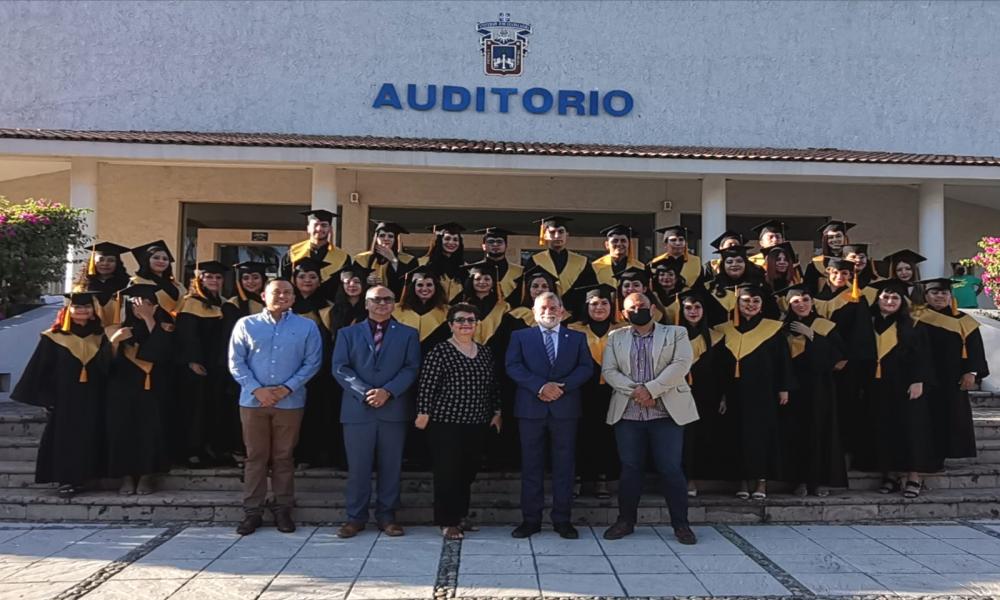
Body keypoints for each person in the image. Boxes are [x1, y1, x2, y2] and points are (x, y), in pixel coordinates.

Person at [600, 292, 697, 544]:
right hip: (629, 413)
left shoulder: (676, 333)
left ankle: (681, 525)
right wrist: (638, 393)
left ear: (653, 308)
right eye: (631, 308)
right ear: (624, 314)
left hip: (666, 412)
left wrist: (652, 390)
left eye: (642, 305)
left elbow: (681, 364)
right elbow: (609, 370)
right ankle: (625, 521)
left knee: (671, 469)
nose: (637, 310)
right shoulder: (616, 337)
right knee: (630, 469)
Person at [228, 279, 323, 535]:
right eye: (276, 292)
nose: (282, 296)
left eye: (287, 292)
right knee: (255, 456)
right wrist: (257, 389)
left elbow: (312, 362)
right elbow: (236, 362)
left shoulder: (307, 326)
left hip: (290, 401)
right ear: (263, 295)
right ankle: (252, 511)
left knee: (283, 457)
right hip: (253, 401)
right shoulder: (246, 324)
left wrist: (287, 388)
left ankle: (283, 508)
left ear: (294, 297)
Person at [333, 286, 421, 538]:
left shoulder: (408, 334)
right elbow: (340, 368)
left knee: (391, 466)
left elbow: (411, 367)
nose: (382, 303)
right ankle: (355, 518)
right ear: (366, 304)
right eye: (376, 299)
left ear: (394, 303)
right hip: (358, 409)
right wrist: (365, 392)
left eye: (387, 299)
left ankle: (387, 516)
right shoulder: (347, 333)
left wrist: (388, 391)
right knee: (358, 467)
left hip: (393, 408)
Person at [505, 292, 593, 539]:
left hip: (565, 409)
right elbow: (513, 366)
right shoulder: (520, 336)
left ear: (562, 311)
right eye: (543, 308)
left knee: (564, 466)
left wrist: (561, 387)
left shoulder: (576, 337)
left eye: (554, 307)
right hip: (531, 409)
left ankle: (562, 520)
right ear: (534, 312)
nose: (549, 312)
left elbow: (585, 367)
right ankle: (530, 520)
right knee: (531, 465)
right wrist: (541, 387)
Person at [415, 303, 503, 539]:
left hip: (477, 422)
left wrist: (497, 412)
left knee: (467, 472)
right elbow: (427, 385)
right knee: (447, 472)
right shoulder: (440, 351)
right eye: (460, 320)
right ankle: (447, 521)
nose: (466, 324)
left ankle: (461, 515)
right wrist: (423, 412)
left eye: (471, 320)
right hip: (445, 423)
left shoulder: (484, 352)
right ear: (451, 325)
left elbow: (493, 385)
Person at [12, 292, 111, 497]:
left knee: (91, 436)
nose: (82, 310)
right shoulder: (53, 337)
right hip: (65, 398)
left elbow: (108, 369)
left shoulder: (101, 338)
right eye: (77, 307)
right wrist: (47, 398)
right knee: (66, 438)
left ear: (94, 311)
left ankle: (87, 477)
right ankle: (67, 480)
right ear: (68, 310)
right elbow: (40, 369)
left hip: (93, 397)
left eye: (87, 307)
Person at [852, 279, 936, 498]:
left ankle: (914, 477)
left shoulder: (913, 325)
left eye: (895, 298)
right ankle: (890, 475)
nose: (890, 301)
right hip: (877, 386)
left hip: (905, 386)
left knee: (910, 430)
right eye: (885, 297)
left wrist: (918, 380)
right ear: (877, 299)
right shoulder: (868, 323)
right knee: (884, 430)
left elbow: (923, 356)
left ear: (902, 301)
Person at [715, 283, 794, 500]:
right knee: (737, 434)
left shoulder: (773, 328)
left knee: (762, 435)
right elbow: (720, 367)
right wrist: (722, 394)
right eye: (746, 301)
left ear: (762, 304)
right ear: (737, 303)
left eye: (755, 301)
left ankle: (761, 481)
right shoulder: (724, 330)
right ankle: (741, 480)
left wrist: (784, 388)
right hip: (735, 392)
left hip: (764, 392)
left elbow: (783, 361)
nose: (750, 305)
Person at [776, 284, 848, 497]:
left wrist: (812, 336)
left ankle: (818, 482)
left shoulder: (825, 326)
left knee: (819, 432)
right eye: (796, 301)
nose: (802, 304)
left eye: (806, 299)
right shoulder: (780, 328)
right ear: (788, 304)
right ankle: (798, 480)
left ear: (812, 302)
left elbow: (839, 359)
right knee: (795, 433)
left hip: (819, 387)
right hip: (792, 388)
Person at [105, 284, 174, 496]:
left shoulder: (166, 328)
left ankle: (147, 475)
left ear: (155, 307)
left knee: (150, 433)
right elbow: (104, 366)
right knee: (124, 432)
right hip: (123, 390)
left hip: (155, 389)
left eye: (147, 304)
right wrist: (114, 343)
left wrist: (149, 319)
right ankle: (126, 476)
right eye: (136, 304)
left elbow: (163, 353)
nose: (141, 307)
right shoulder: (116, 330)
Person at [913, 278, 989, 463]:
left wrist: (971, 372)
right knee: (921, 417)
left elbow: (975, 347)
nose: (940, 296)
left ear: (950, 296)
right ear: (926, 295)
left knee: (948, 417)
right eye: (934, 293)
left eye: (944, 293)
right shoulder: (915, 316)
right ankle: (921, 458)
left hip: (952, 378)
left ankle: (940, 457)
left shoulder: (963, 320)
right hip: (921, 376)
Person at [568, 284, 626, 499]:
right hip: (581, 391)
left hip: (612, 391)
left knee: (607, 435)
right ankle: (579, 477)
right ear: (586, 306)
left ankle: (603, 478)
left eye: (604, 303)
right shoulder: (573, 329)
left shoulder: (623, 330)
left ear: (612, 306)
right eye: (594, 304)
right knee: (580, 433)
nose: (599, 307)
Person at [173, 260, 234, 467]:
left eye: (218, 277)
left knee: (215, 407)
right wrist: (192, 361)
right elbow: (186, 336)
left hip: (218, 364)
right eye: (209, 277)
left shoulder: (224, 304)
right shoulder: (190, 303)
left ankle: (213, 449)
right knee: (195, 409)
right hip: (197, 365)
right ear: (199, 279)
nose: (214, 280)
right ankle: (192, 451)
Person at [814, 257, 876, 455]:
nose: (839, 276)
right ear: (827, 272)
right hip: (821, 360)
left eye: (844, 273)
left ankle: (845, 449)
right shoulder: (816, 298)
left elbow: (861, 332)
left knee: (846, 404)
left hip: (846, 363)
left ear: (851, 275)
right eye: (835, 272)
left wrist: (844, 358)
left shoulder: (856, 298)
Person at [677, 288, 730, 496]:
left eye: (697, 307)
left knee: (699, 436)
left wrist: (724, 395)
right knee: (679, 437)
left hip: (706, 394)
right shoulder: (671, 335)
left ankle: (693, 478)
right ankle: (679, 478)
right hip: (677, 392)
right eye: (688, 308)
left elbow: (722, 370)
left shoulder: (716, 337)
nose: (693, 311)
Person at [288, 258, 339, 469]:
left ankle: (314, 455)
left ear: (320, 281)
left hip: (321, 370)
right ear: (294, 280)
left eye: (312, 276)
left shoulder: (329, 307)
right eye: (302, 276)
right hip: (289, 370)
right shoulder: (287, 305)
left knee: (317, 412)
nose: (307, 280)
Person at [522, 215, 598, 313]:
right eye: (552, 232)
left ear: (567, 234)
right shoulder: (535, 261)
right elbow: (527, 291)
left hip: (574, 314)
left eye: (561, 232)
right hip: (544, 313)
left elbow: (590, 291)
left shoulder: (582, 262)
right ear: (545, 235)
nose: (557, 236)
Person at [279, 209, 355, 301]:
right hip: (297, 304)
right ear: (308, 228)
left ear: (330, 229)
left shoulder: (342, 257)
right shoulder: (293, 252)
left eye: (324, 225)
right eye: (315, 225)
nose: (319, 229)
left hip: (329, 305)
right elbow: (284, 280)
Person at [72, 241, 131, 326]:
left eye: (111, 260)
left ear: (117, 264)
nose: (105, 263)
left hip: (120, 329)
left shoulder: (128, 285)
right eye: (100, 260)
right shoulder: (82, 287)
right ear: (93, 262)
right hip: (91, 331)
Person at [354, 221, 416, 297]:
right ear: (376, 238)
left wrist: (394, 260)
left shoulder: (409, 260)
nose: (386, 239)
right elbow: (354, 281)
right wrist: (365, 280)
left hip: (396, 301)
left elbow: (409, 284)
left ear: (395, 239)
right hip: (369, 301)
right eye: (382, 235)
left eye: (390, 236)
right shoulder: (362, 259)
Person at [130, 240, 186, 315]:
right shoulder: (137, 282)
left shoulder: (177, 284)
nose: (161, 261)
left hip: (180, 321)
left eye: (165, 259)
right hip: (151, 321)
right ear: (146, 260)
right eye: (156, 258)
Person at [418, 222, 467, 302]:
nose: (451, 242)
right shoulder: (423, 263)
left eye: (455, 239)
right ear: (439, 240)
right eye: (447, 239)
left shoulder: (464, 267)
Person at [804, 220, 855, 296]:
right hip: (822, 301)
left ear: (845, 238)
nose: (835, 240)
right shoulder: (816, 263)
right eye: (830, 237)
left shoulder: (854, 260)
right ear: (825, 240)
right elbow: (808, 288)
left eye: (838, 236)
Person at [476, 226, 523, 304]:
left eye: (499, 241)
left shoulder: (520, 272)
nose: (495, 244)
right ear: (483, 246)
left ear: (506, 246)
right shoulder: (474, 270)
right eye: (491, 241)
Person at [649, 224, 705, 290]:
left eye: (681, 240)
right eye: (673, 240)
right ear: (666, 244)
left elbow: (700, 286)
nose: (678, 243)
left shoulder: (695, 263)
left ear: (686, 243)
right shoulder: (655, 263)